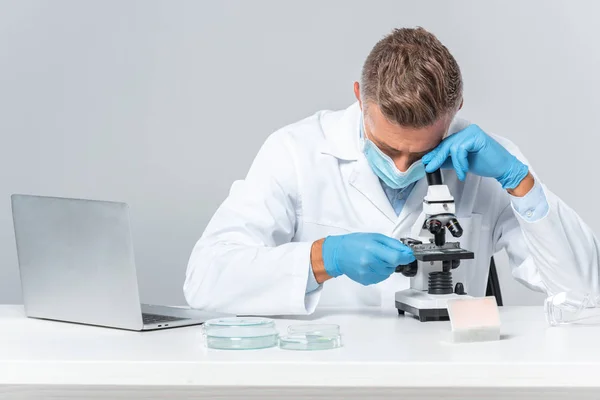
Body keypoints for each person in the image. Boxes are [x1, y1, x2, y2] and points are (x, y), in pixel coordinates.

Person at [184, 27, 600, 315]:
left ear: (456, 111)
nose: (402, 167)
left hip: (448, 377)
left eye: (423, 152)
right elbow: (206, 280)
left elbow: (584, 295)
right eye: (386, 148)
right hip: (326, 375)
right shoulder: (296, 151)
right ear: (359, 98)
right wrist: (323, 257)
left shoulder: (491, 165)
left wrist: (520, 182)